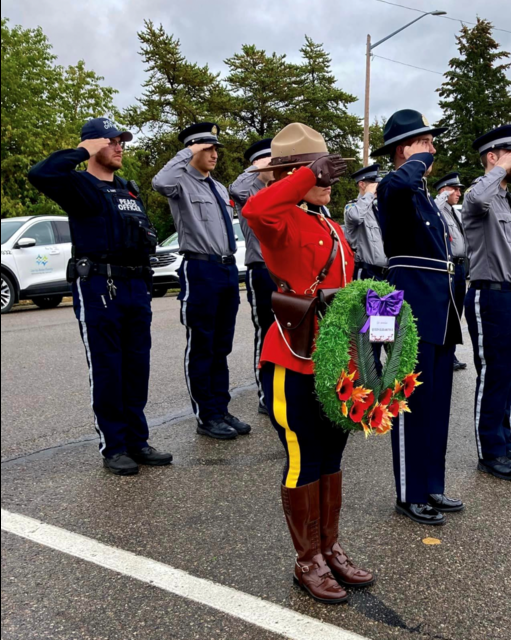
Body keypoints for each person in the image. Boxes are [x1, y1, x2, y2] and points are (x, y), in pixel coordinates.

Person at [243, 123, 374, 605]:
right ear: (292, 174)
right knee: (303, 457)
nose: (328, 176)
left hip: (337, 360)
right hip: (293, 359)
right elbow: (256, 206)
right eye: (317, 169)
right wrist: (302, 178)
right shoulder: (280, 219)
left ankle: (329, 547)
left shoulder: (332, 225)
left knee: (332, 456)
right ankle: (307, 561)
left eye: (328, 168)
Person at [28, 117, 172, 476]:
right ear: (94, 145)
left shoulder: (128, 189)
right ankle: (115, 446)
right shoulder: (78, 184)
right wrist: (81, 151)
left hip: (135, 286)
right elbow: (40, 173)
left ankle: (138, 441)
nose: (119, 146)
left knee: (137, 367)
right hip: (99, 288)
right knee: (109, 367)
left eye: (121, 140)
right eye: (111, 141)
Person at [374, 110, 464, 524]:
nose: (433, 148)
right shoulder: (394, 188)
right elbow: (397, 181)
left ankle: (432, 484)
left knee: (436, 404)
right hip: (409, 307)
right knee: (409, 403)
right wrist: (415, 159)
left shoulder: (424, 194)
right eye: (424, 141)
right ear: (403, 149)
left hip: (438, 308)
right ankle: (409, 493)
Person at [154, 123, 252, 441]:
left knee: (221, 346)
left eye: (215, 148)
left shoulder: (220, 188)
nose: (214, 154)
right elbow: (159, 181)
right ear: (194, 149)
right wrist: (188, 151)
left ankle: (221, 409)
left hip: (225, 270)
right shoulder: (181, 182)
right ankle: (206, 415)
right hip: (200, 270)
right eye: (207, 148)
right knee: (202, 345)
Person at [462, 125, 511, 481]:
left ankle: (503, 442)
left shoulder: (507, 197)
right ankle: (490, 452)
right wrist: (499, 170)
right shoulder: (482, 194)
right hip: (491, 296)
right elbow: (474, 200)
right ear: (493, 157)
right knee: (494, 377)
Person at [231, 138, 276, 416]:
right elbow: (235, 188)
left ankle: (285, 386)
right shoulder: (249, 188)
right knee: (267, 331)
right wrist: (256, 169)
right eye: (272, 159)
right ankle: (265, 393)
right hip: (261, 269)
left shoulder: (280, 188)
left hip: (286, 270)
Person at [434, 172, 470, 373]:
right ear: (444, 190)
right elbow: (433, 212)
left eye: (459, 189)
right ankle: (444, 352)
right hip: (447, 267)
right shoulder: (438, 208)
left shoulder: (455, 212)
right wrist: (441, 196)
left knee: (457, 311)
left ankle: (451, 352)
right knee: (448, 311)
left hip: (460, 267)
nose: (459, 192)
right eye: (454, 189)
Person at [344, 164, 389, 281]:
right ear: (362, 184)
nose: (377, 187)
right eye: (373, 184)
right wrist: (369, 194)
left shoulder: (378, 209)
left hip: (384, 273)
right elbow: (356, 217)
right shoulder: (352, 207)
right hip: (366, 272)